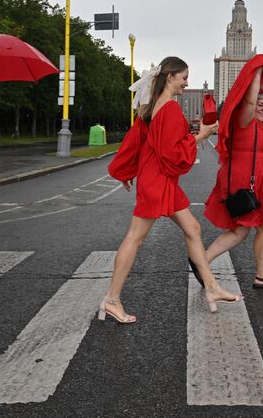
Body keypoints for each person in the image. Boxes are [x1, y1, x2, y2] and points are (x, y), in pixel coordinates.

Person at [103, 57, 243, 323]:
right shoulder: (168, 109)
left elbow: (137, 141)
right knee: (135, 238)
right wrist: (202, 135)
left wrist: (126, 170)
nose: (186, 83)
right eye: (183, 77)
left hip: (160, 180)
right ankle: (111, 299)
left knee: (193, 229)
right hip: (158, 180)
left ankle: (211, 287)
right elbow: (172, 154)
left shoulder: (151, 106)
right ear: (170, 77)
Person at [203, 54, 263, 289]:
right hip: (244, 181)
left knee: (240, 230)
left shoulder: (257, 125)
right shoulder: (244, 119)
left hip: (250, 181)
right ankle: (261, 275)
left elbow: (262, 93)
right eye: (260, 105)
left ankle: (203, 263)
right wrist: (255, 72)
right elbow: (251, 102)